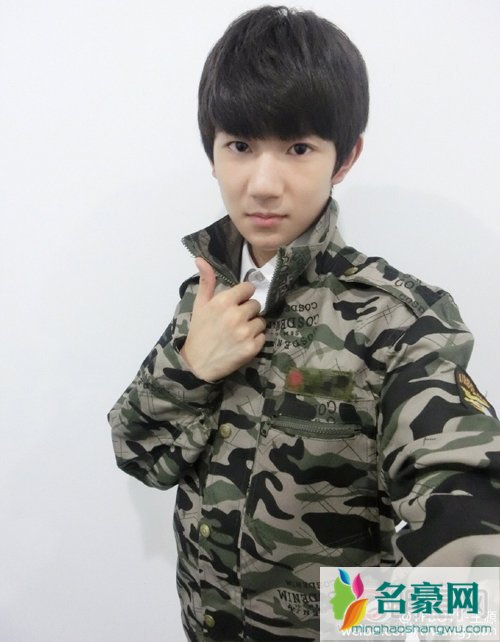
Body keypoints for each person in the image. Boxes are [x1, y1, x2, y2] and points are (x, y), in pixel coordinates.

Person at [108, 6, 500, 641]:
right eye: (240, 146)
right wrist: (191, 369)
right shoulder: (205, 298)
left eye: (298, 148)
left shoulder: (399, 323)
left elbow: (474, 558)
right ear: (211, 150)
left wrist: (349, 625)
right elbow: (139, 455)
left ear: (344, 158)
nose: (263, 184)